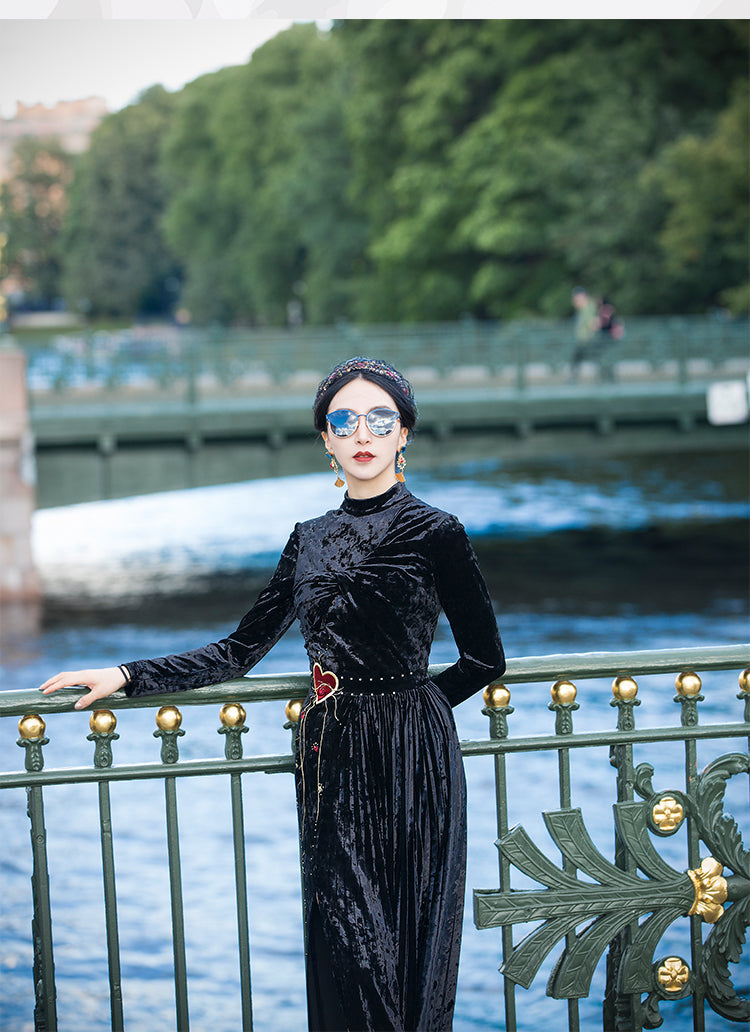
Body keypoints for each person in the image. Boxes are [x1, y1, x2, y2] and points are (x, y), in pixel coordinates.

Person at [40, 356, 506, 1032]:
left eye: (381, 418)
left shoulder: (437, 532)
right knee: (349, 945)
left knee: (411, 943)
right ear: (326, 439)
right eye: (344, 420)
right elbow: (240, 650)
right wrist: (128, 675)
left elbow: (484, 658)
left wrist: (418, 708)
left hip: (414, 756)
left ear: (404, 433)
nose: (363, 433)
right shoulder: (308, 540)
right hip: (331, 756)